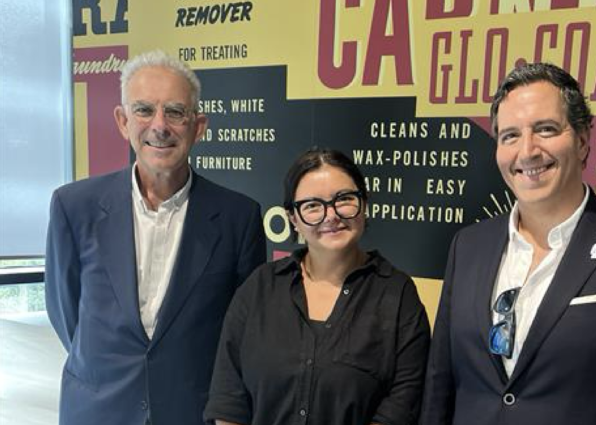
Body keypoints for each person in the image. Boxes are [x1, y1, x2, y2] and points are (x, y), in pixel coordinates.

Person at [421, 63, 596, 425]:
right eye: (510, 136)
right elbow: (439, 387)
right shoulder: (468, 246)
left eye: (546, 129)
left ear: (582, 141)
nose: (527, 151)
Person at [45, 50, 266, 425]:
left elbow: (242, 332)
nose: (159, 126)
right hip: (98, 411)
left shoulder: (238, 217)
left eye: (176, 112)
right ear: (122, 121)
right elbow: (65, 312)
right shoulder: (74, 206)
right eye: (144, 110)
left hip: (193, 413)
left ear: (199, 126)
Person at [204, 147, 431, 425]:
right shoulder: (259, 288)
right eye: (312, 205)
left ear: (364, 203)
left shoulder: (398, 296)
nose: (331, 215)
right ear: (293, 218)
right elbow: (229, 401)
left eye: (344, 199)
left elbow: (401, 406)